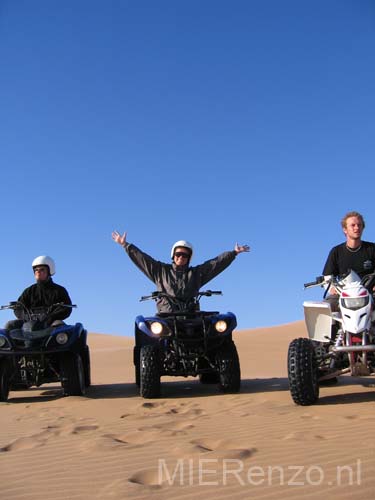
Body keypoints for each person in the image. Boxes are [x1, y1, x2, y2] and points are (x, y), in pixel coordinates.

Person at [112, 231, 250, 312]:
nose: (181, 257)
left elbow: (215, 264)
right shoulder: (160, 271)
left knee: (218, 329)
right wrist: (126, 245)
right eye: (178, 254)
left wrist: (233, 253)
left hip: (191, 315)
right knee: (147, 333)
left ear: (189, 258)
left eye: (185, 255)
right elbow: (143, 259)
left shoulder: (196, 274)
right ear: (173, 255)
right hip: (166, 315)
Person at [5, 256, 73, 330]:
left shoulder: (59, 290)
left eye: (42, 270)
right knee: (10, 325)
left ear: (49, 271)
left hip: (50, 324)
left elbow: (66, 308)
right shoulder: (29, 291)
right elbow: (18, 307)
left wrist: (50, 318)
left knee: (60, 327)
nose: (38, 272)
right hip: (28, 324)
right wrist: (26, 317)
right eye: (36, 270)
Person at [323, 211, 375, 280]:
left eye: (359, 225)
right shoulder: (336, 251)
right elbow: (328, 277)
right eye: (353, 225)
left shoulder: (372, 248)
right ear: (345, 230)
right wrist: (332, 289)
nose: (357, 228)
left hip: (368, 290)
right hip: (346, 290)